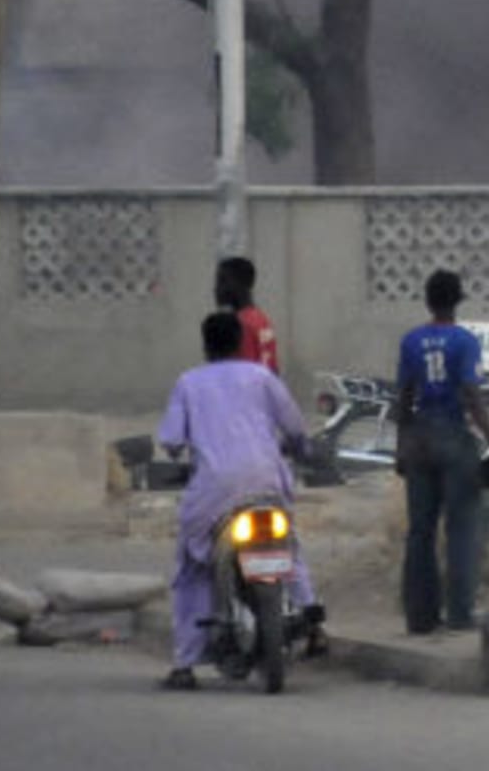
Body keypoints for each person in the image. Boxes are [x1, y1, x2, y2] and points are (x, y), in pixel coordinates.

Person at [156, 312, 325, 689]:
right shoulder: (262, 377)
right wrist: (300, 447)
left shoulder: (189, 382)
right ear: (239, 342)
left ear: (206, 345)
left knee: (192, 566)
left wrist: (184, 454)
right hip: (266, 481)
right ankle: (313, 619)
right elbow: (296, 426)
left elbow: (170, 440)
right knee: (290, 547)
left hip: (214, 490)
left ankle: (184, 662)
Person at [396, 270, 489, 634]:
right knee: (462, 527)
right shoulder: (465, 342)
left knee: (420, 530)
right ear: (457, 301)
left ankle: (419, 616)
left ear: (428, 301)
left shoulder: (411, 341)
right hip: (453, 435)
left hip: (420, 436)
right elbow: (472, 396)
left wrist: (401, 446)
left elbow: (404, 398)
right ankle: (459, 613)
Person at [215, 256, 280, 374]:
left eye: (222, 281)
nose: (216, 289)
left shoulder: (239, 324)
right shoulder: (261, 319)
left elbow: (241, 374)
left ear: (238, 284)